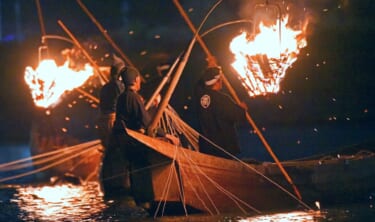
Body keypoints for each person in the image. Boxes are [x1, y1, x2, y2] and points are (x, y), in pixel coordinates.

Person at [194, 66, 248, 158]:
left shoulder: (199, 96)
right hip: (223, 148)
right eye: (221, 79)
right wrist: (242, 109)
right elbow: (237, 116)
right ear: (217, 81)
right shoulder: (222, 99)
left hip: (206, 148)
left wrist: (211, 68)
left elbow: (199, 83)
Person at [97, 57, 125, 149]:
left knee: (109, 150)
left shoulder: (105, 87)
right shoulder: (120, 86)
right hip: (114, 122)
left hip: (102, 123)